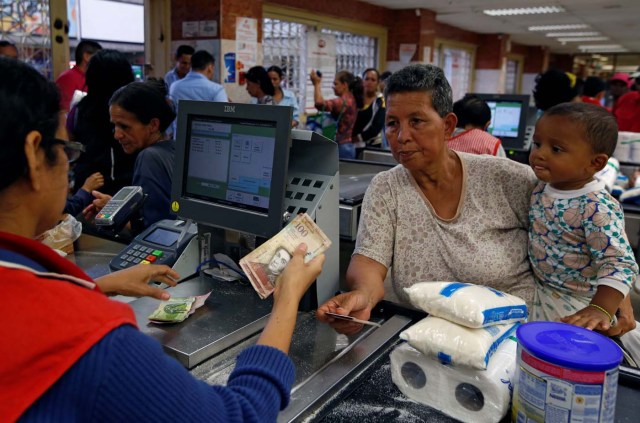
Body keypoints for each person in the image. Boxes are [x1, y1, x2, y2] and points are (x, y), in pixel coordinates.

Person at [0, 57, 326, 422]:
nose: (69, 163)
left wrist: (98, 286)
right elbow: (239, 416)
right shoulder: (92, 342)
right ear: (33, 154)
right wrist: (288, 298)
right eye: (66, 149)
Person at [316, 64, 539, 334]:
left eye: (417, 121)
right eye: (392, 123)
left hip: (512, 337)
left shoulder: (508, 180)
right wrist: (362, 295)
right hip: (423, 339)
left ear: (448, 126)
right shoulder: (387, 188)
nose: (402, 136)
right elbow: (368, 262)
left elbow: (565, 256)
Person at [528, 102, 639, 363]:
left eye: (555, 149)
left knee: (566, 358)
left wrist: (600, 308)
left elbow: (620, 262)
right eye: (537, 144)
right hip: (542, 291)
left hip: (579, 300)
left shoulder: (595, 206)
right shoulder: (542, 186)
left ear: (595, 163)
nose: (539, 154)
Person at [109, 80, 177, 232]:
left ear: (153, 125)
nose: (117, 135)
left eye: (125, 126)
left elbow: (154, 231)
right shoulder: (173, 149)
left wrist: (116, 221)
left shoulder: (149, 158)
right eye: (115, 126)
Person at [67, 49, 137, 196]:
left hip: (87, 189)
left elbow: (70, 145)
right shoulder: (135, 109)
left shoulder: (79, 110)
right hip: (129, 189)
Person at [169, 50, 228, 136]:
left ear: (191, 65)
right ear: (210, 67)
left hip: (179, 138)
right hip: (206, 139)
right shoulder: (216, 89)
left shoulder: (175, 86)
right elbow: (225, 115)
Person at [310, 70, 364, 159]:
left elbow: (319, 103)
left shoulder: (344, 102)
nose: (333, 87)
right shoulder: (352, 99)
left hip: (342, 147)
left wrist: (316, 84)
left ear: (345, 85)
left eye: (336, 84)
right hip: (348, 146)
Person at [55, 40, 102, 112]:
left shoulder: (93, 78)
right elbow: (64, 112)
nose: (101, 61)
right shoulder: (67, 78)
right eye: (99, 57)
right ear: (86, 56)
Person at [353, 68, 386, 157]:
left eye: (373, 80)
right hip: (353, 144)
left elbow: (377, 126)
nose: (369, 82)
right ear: (362, 81)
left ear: (378, 83)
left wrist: (359, 138)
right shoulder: (355, 98)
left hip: (372, 145)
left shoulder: (380, 100)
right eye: (367, 79)